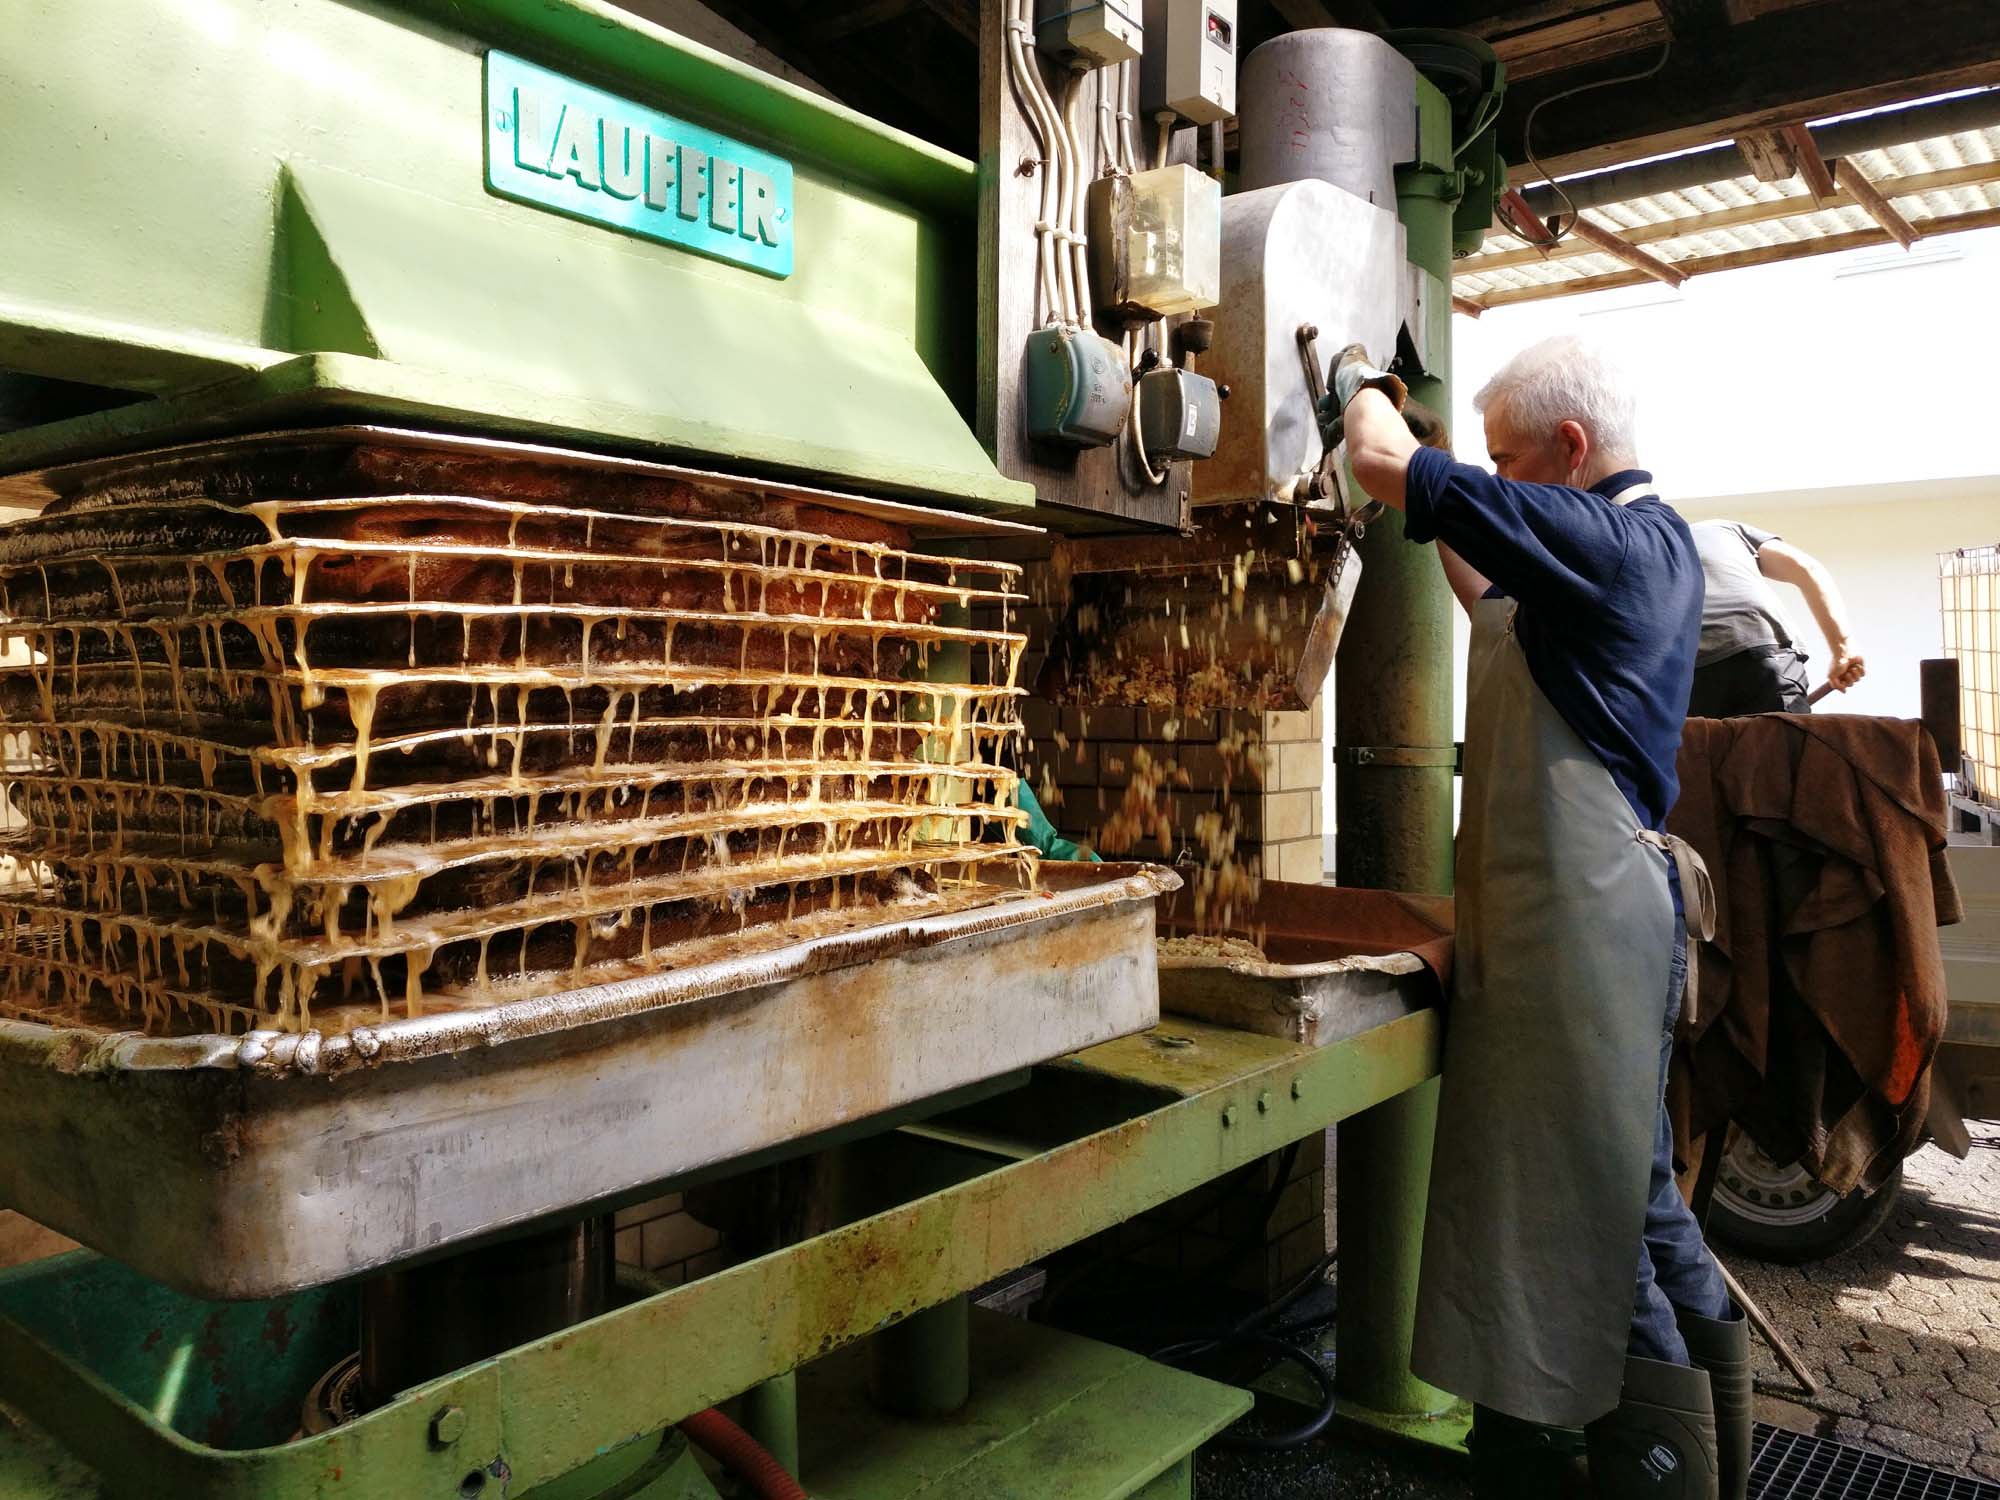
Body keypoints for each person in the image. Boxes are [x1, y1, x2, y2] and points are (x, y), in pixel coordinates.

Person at [1324, 335, 1748, 1500]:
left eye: (1512, 463)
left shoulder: (1617, 542)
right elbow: (1484, 585)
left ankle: (1652, 1470)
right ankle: (1704, 1460)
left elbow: (1373, 455)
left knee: (1588, 1230)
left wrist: (1357, 377)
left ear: (1570, 451)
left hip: (1585, 931)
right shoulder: (1606, 561)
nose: (1501, 482)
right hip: (1569, 927)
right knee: (1637, 1201)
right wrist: (1453, 484)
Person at [1686, 520, 1865, 717]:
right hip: (1758, 642)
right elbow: (1806, 568)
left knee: (1708, 746)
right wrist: (1843, 647)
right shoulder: (1719, 529)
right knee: (1780, 744)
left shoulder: (1655, 547)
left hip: (1689, 670)